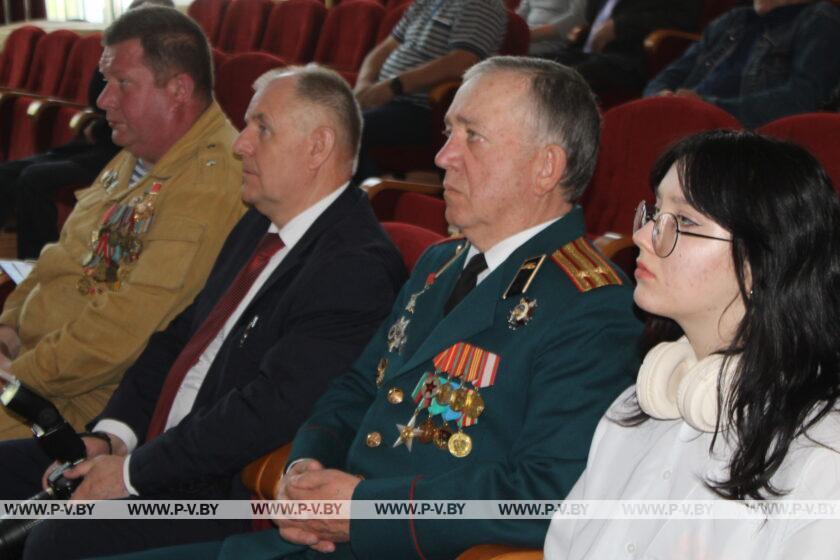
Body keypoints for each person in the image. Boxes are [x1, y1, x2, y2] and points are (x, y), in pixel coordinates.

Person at [106, 55, 643, 560]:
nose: (443, 156)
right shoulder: (440, 264)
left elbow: (543, 495)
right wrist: (307, 468)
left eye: (471, 137)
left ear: (546, 167)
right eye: (448, 132)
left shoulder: (588, 305)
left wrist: (364, 511)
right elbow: (356, 387)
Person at [0, 64, 407, 560]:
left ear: (318, 147)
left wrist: (130, 474)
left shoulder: (353, 266)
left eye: (262, 128)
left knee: (57, 539)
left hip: (217, 491)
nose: (240, 144)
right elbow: (177, 338)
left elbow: (264, 412)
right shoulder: (260, 223)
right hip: (152, 454)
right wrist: (111, 437)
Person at [545, 129, 840, 558]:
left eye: (683, 222)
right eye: (654, 212)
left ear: (761, 263)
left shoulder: (820, 454)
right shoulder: (636, 408)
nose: (645, 236)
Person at [0, 6, 246, 440]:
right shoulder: (137, 153)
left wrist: (15, 378)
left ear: (178, 90)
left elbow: (119, 337)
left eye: (121, 83)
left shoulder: (208, 184)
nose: (102, 99)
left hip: (70, 403)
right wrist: (8, 326)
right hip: (34, 366)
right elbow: (61, 255)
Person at [2, 0, 174, 259]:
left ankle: (36, 264)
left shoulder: (169, 67)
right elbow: (96, 96)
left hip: (124, 156)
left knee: (35, 178)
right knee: (5, 173)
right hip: (96, 143)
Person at [352, 0, 507, 181]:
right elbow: (385, 47)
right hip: (386, 98)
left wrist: (394, 86)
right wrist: (364, 83)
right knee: (322, 113)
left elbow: (461, 61)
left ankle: (369, 199)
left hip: (424, 109)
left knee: (349, 125)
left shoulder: (482, 4)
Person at [644, 0, 840, 129]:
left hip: (742, 140)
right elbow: (668, 75)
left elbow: (802, 100)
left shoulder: (819, 20)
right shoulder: (732, 20)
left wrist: (708, 107)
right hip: (682, 119)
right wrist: (662, 97)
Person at [553, 0, 700, 93]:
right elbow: (590, 14)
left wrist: (620, 26)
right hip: (585, 50)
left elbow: (680, 19)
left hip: (630, 57)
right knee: (540, 65)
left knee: (565, 78)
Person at [517, 0, 588, 57]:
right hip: (528, 36)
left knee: (512, 50)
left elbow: (577, 17)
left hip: (553, 41)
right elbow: (520, 15)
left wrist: (530, 35)